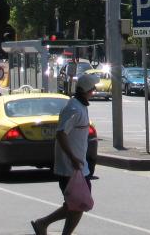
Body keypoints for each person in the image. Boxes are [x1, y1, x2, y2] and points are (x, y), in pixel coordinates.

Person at [31, 72, 99, 235]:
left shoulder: (80, 106)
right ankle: (44, 223)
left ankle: (44, 224)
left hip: (79, 166)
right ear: (85, 90)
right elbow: (61, 134)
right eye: (92, 89)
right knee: (78, 204)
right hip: (70, 168)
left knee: (77, 204)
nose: (94, 92)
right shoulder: (74, 108)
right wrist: (73, 158)